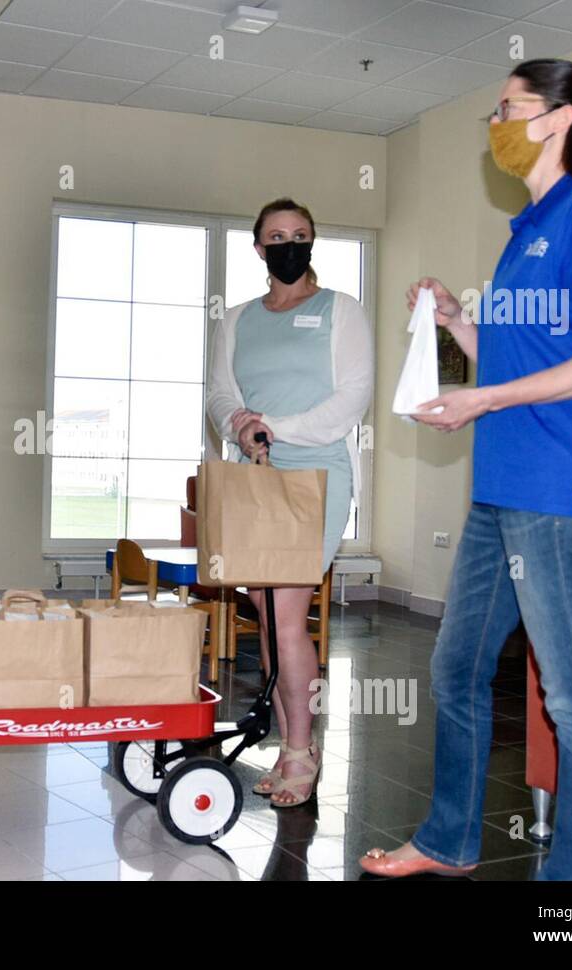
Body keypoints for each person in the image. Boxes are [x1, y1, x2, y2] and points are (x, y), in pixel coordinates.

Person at [360, 59, 572, 880]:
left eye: (509, 108)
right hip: (502, 488)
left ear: (559, 119)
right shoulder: (528, 228)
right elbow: (518, 359)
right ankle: (449, 840)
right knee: (455, 667)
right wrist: (456, 322)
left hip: (559, 490)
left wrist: (486, 401)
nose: (496, 123)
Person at [206, 198, 374, 807]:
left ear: (311, 243)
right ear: (258, 248)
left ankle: (300, 750)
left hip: (318, 475)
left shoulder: (341, 311)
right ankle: (292, 742)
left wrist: (272, 422)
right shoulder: (239, 320)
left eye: (299, 235)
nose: (288, 244)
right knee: (265, 611)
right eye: (276, 236)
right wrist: (242, 427)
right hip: (258, 471)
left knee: (283, 616)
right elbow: (221, 395)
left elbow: (350, 401)